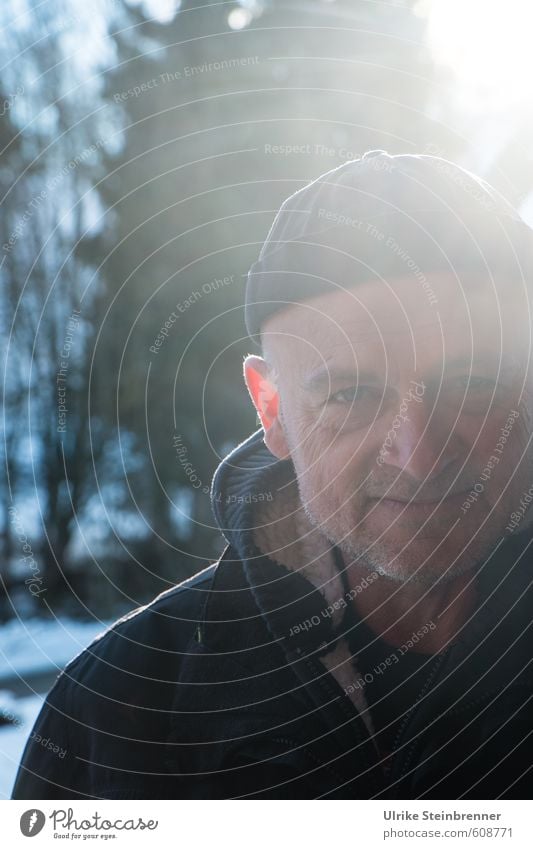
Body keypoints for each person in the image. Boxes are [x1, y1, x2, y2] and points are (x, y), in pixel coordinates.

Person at [12, 151, 533, 800]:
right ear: (272, 409)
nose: (418, 453)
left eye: (473, 384)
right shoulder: (118, 719)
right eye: (349, 395)